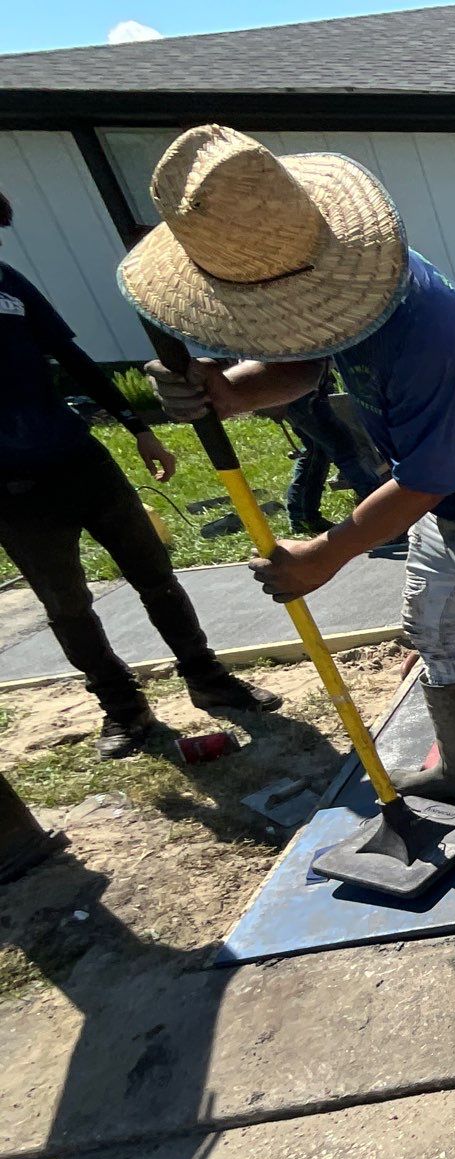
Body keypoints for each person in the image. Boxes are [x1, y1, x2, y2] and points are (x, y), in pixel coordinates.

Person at [129, 125, 455, 845]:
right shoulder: (344, 288)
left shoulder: (425, 333)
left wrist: (326, 554)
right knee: (432, 630)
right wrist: (232, 391)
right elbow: (309, 358)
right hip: (444, 493)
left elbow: (425, 481)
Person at [0, 190, 279, 759]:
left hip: (80, 461)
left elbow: (73, 361)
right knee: (66, 604)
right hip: (13, 492)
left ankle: (205, 676)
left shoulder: (9, 286)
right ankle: (123, 709)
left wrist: (136, 427)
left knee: (155, 574)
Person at [278, 363, 383, 535]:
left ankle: (303, 516)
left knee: (316, 450)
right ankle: (381, 515)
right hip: (298, 388)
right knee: (345, 450)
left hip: (295, 388)